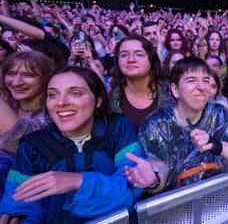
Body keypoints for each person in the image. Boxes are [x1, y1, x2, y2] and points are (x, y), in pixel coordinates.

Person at [0, 66, 146, 223]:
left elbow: (132, 189)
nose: (61, 103)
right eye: (53, 95)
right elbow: (20, 206)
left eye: (75, 93)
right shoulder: (32, 147)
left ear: (98, 100)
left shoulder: (118, 127)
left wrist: (78, 181)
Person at [124, 57, 228, 193]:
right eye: (191, 80)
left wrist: (217, 145)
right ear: (175, 90)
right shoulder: (155, 125)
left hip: (219, 197)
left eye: (206, 81)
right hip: (178, 206)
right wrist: (153, 181)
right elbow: (159, 177)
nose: (202, 87)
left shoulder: (218, 113)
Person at [0, 51, 55, 193]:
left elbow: (20, 139)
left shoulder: (55, 111)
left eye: (28, 75)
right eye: (11, 74)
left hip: (29, 195)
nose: (17, 82)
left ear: (46, 78)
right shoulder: (8, 105)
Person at [110, 35, 171, 130]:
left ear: (151, 59)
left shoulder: (170, 92)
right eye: (124, 55)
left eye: (139, 54)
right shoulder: (111, 100)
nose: (131, 60)